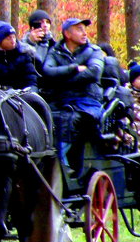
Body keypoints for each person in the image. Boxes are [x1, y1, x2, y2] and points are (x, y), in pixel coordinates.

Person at [41, 18, 105, 172]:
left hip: (87, 102)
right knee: (43, 116)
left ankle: (60, 164)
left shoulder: (94, 51)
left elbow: (94, 73)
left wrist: (61, 80)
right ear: (67, 34)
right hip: (61, 101)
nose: (84, 33)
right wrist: (73, 68)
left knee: (69, 119)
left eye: (84, 29)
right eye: (79, 29)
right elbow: (47, 71)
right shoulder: (55, 52)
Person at [0, 20, 38, 90]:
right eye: (8, 38)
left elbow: (31, 78)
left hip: (21, 95)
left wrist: (31, 91)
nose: (13, 41)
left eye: (13, 37)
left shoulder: (23, 55)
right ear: (0, 41)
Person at [20, 9, 54, 73]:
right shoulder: (22, 44)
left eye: (47, 22)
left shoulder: (53, 44)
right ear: (33, 25)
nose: (45, 25)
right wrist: (31, 42)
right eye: (41, 22)